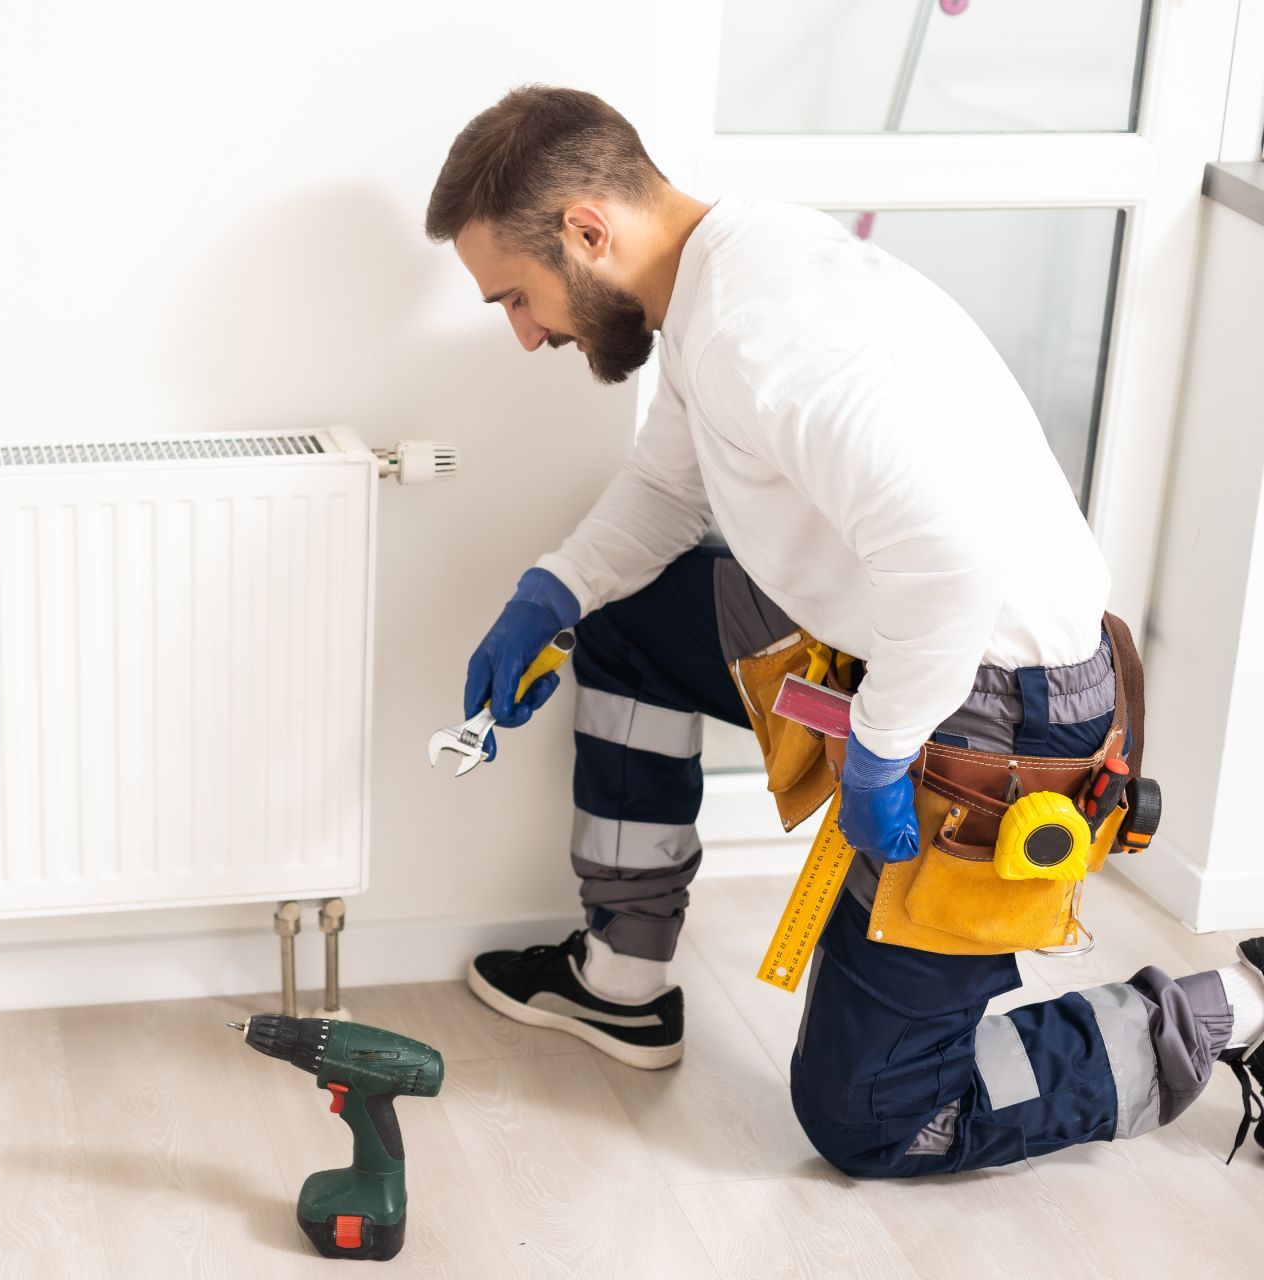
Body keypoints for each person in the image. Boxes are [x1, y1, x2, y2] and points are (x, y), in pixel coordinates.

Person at [427, 84, 1264, 1177]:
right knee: (626, 619)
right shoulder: (720, 274)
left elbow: (953, 567)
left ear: (588, 231)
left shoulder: (765, 337)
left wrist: (877, 753)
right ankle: (621, 981)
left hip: (996, 709)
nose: (527, 331)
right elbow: (671, 489)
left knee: (877, 1116)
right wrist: (555, 592)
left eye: (518, 296)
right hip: (900, 639)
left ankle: (1228, 1002)